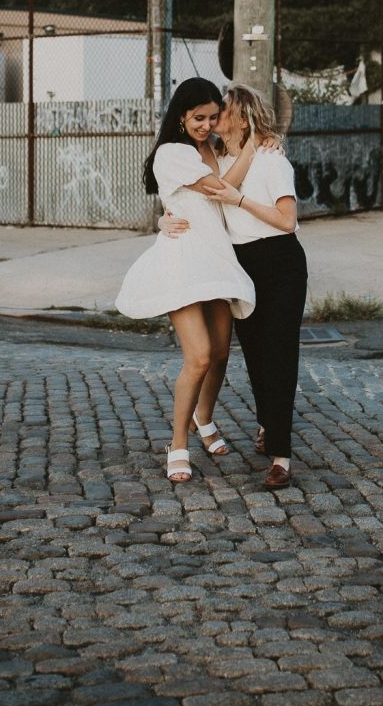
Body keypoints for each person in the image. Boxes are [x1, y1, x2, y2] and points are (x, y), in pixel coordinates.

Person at [162, 84, 307, 489]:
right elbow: (197, 202)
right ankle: (267, 426)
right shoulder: (219, 158)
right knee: (257, 357)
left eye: (221, 111)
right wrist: (164, 219)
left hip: (279, 261)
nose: (213, 118)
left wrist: (241, 196)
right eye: (206, 115)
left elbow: (287, 220)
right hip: (241, 265)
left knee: (279, 357)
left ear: (242, 117)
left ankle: (281, 456)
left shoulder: (271, 161)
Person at [115, 78, 257, 484]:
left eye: (214, 117)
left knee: (221, 354)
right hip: (183, 259)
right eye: (199, 117)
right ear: (181, 115)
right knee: (198, 356)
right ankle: (178, 442)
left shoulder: (208, 147)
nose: (207, 124)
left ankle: (204, 418)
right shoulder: (171, 152)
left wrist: (246, 141)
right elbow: (222, 190)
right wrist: (256, 142)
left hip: (216, 257)